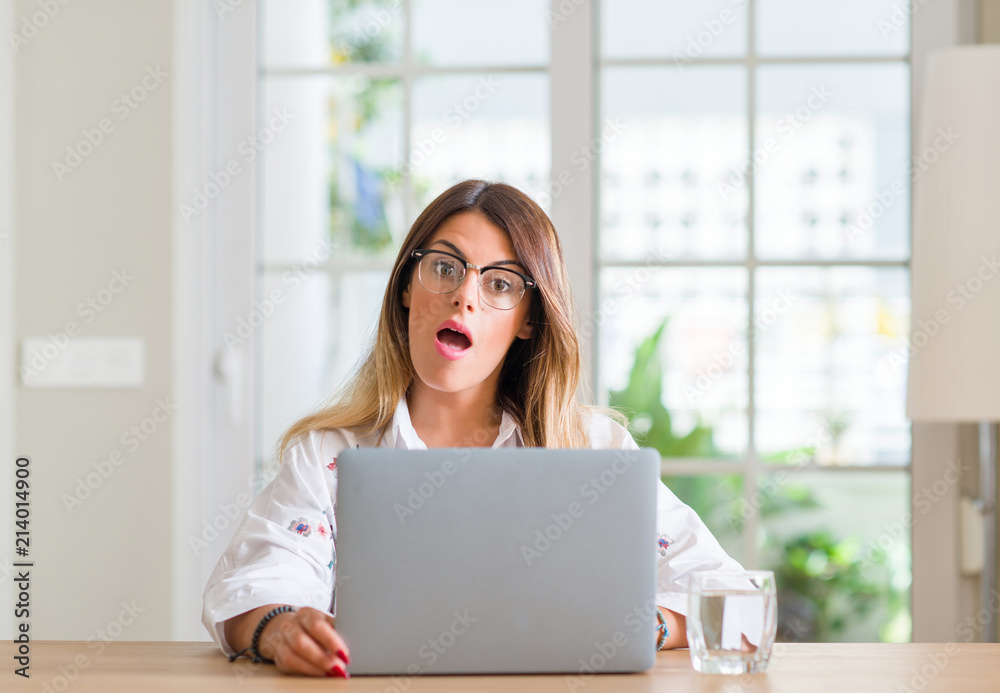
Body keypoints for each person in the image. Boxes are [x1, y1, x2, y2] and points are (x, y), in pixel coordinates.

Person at [201, 179, 750, 678]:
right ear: (406, 288)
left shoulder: (595, 453)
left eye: (501, 283)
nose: (465, 294)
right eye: (444, 267)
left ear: (529, 320)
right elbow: (259, 582)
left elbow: (735, 602)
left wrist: (647, 626)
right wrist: (280, 628)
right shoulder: (326, 455)